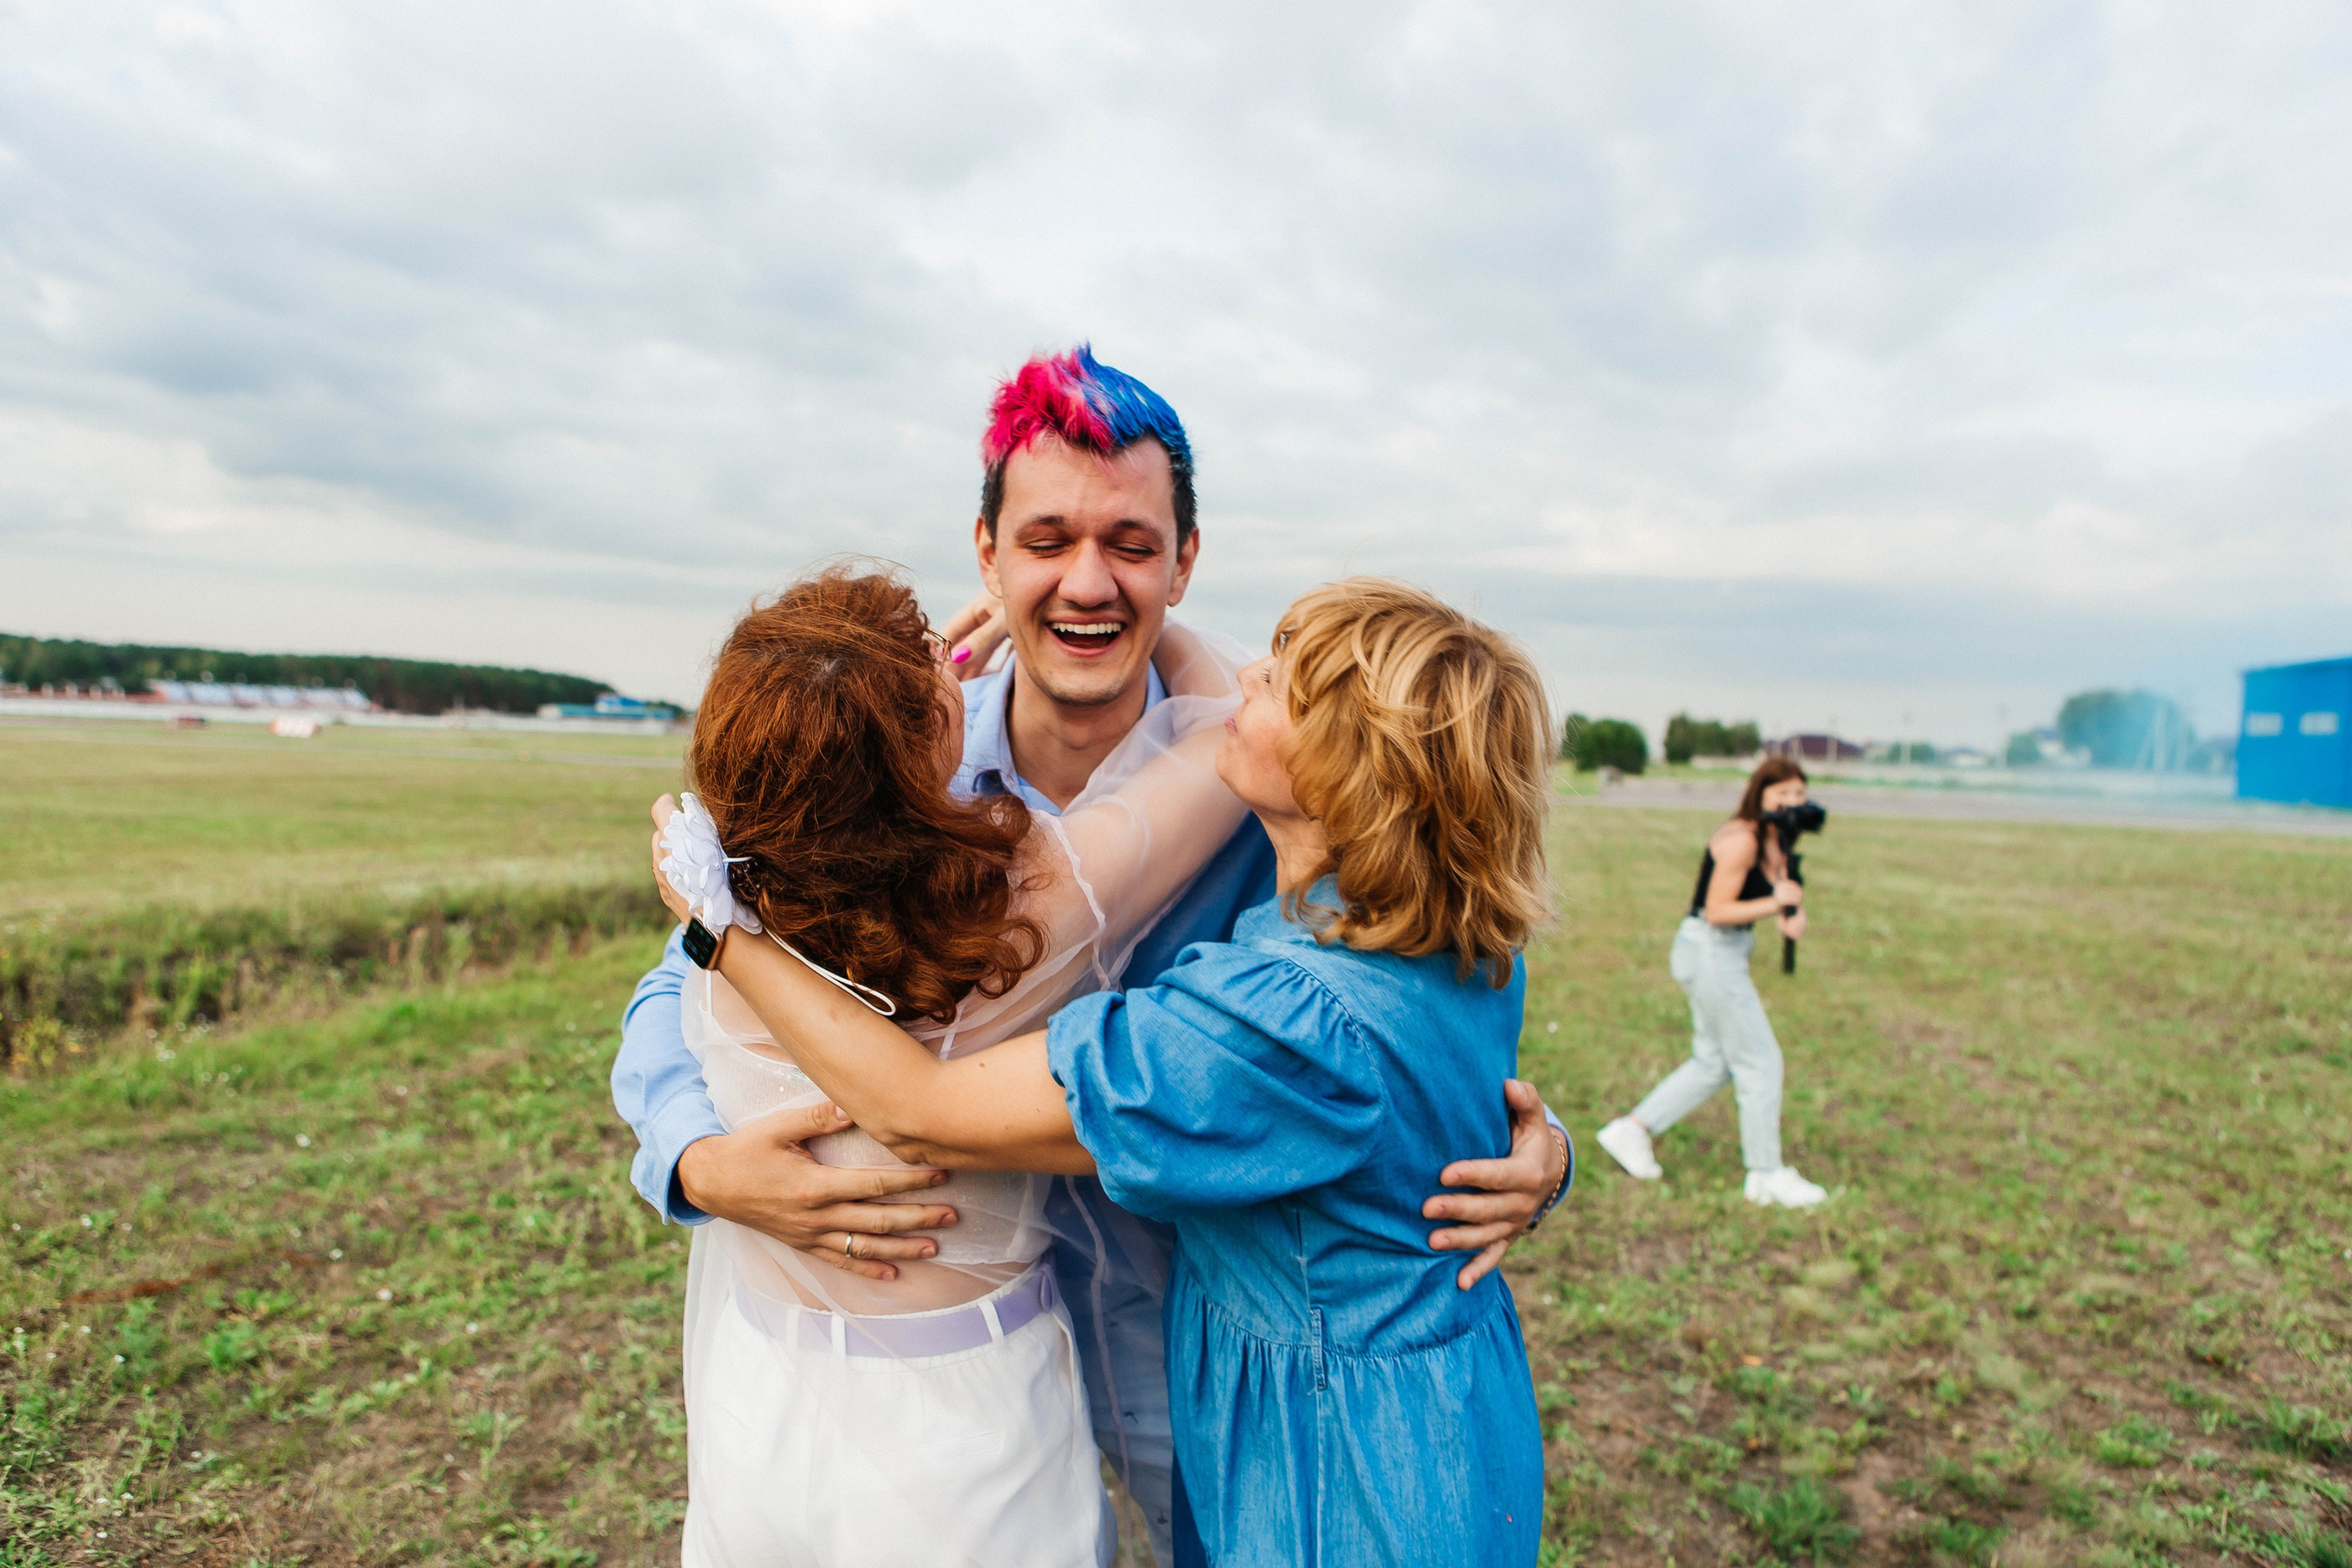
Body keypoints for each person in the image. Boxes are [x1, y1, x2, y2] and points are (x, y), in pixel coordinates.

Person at [610, 345, 1572, 1562]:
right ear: (987, 552)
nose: (1087, 580)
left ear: (1185, 561)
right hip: (975, 1356)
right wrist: (696, 1161)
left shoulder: (1268, 789)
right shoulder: (900, 760)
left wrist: (1528, 1143)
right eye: (1048, 536)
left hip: (1216, 1372)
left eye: (1128, 541)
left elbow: (1409, 997)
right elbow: (678, 979)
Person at [1595, 756, 1828, 1208]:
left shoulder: (1779, 845)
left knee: (1714, 1062)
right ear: (1760, 794)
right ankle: (1765, 1175)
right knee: (1761, 1062)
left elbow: (1787, 917)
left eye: (1800, 794)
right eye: (1783, 794)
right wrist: (1773, 902)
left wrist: (1790, 910)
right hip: (1709, 950)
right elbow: (1716, 909)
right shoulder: (1741, 838)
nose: (1793, 803)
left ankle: (1631, 1130)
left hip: (1726, 952)